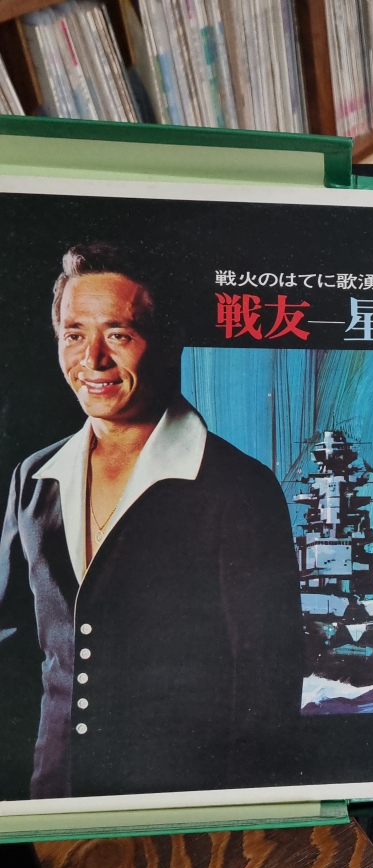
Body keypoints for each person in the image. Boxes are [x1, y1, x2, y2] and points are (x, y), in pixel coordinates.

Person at [0, 242, 305, 799]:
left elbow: (266, 687)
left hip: (182, 811)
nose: (92, 360)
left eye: (118, 335)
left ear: (168, 343)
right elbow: (10, 642)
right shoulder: (34, 477)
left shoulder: (238, 486)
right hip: (53, 799)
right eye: (73, 335)